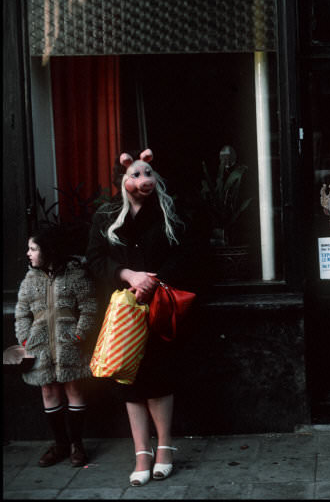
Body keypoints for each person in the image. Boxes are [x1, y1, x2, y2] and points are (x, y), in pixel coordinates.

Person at [86, 149, 198, 486]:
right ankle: (141, 452)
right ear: (122, 179)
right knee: (128, 380)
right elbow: (94, 260)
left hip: (160, 306)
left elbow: (188, 254)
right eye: (136, 174)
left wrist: (155, 280)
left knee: (159, 377)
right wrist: (128, 275)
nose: (144, 180)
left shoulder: (169, 212)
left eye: (148, 173)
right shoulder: (106, 216)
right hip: (124, 310)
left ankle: (164, 448)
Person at [14, 225, 98, 468]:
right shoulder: (30, 279)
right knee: (48, 391)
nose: (28, 253)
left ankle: (77, 445)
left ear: (48, 250)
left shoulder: (76, 275)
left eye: (33, 248)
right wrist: (26, 340)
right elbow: (21, 313)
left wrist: (80, 336)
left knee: (74, 389)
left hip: (70, 345)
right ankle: (60, 443)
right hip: (40, 347)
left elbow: (89, 307)